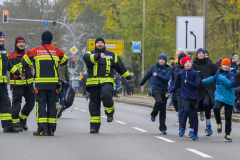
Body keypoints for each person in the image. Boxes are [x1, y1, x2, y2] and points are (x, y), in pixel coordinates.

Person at [22, 31, 68, 136]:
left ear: (42, 38)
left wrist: (33, 61)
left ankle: (42, 129)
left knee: (41, 106)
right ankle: (51, 130)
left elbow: (24, 62)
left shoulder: (36, 50)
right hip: (53, 84)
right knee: (52, 106)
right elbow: (65, 60)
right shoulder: (57, 50)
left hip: (40, 84)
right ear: (51, 39)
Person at [83, 37, 131, 133]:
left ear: (104, 44)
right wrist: (98, 56)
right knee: (94, 105)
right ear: (95, 44)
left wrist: (128, 76)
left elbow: (120, 66)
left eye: (101, 42)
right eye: (98, 43)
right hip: (93, 83)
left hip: (107, 82)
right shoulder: (89, 53)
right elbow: (87, 59)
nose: (100, 44)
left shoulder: (112, 55)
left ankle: (110, 112)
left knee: (106, 95)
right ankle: (94, 126)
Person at [166, 56, 200, 140]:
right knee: (186, 110)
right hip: (185, 96)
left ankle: (195, 133)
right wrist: (169, 91)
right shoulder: (181, 74)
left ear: (191, 63)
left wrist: (188, 82)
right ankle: (183, 128)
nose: (188, 64)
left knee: (194, 115)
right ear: (183, 64)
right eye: (186, 62)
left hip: (194, 97)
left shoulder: (195, 73)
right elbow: (176, 85)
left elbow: (197, 85)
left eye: (189, 62)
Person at [202, 58, 235, 142]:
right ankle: (219, 123)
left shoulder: (231, 74)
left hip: (229, 97)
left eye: (227, 65)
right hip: (219, 95)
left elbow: (230, 84)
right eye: (224, 64)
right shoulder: (218, 73)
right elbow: (213, 79)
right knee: (216, 108)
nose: (225, 66)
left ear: (229, 66)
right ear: (221, 65)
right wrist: (203, 81)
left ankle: (227, 135)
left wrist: (221, 77)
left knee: (228, 117)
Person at [7, 36, 35, 131]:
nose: (21, 44)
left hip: (29, 84)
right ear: (16, 43)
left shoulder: (29, 52)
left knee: (31, 102)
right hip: (17, 84)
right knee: (16, 104)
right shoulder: (10, 54)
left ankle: (22, 119)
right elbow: (10, 67)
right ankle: (15, 124)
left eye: (23, 42)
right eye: (19, 42)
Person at [140, 54, 171, 134]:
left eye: (163, 59)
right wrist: (141, 83)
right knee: (159, 101)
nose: (161, 60)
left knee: (163, 109)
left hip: (164, 90)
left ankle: (163, 128)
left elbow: (167, 79)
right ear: (158, 60)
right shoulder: (153, 67)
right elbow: (147, 75)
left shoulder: (168, 69)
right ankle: (153, 114)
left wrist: (157, 75)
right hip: (155, 88)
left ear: (165, 61)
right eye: (160, 59)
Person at [0, 31, 25, 133]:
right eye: (0, 38)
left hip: (2, 84)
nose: (2, 39)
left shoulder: (3, 50)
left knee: (6, 104)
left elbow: (9, 65)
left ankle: (8, 126)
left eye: (3, 37)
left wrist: (18, 73)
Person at [192, 48, 217, 136]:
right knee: (194, 108)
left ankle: (208, 124)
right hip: (198, 89)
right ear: (197, 55)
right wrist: (200, 80)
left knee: (207, 104)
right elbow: (191, 75)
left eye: (203, 53)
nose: (201, 54)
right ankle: (192, 128)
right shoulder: (194, 65)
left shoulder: (210, 65)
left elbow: (217, 74)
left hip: (207, 89)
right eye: (199, 53)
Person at [52, 42, 70, 118]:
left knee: (54, 94)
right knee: (62, 95)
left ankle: (57, 107)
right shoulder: (63, 56)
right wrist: (68, 80)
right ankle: (61, 105)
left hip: (54, 79)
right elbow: (66, 70)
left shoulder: (51, 56)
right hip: (63, 80)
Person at [172, 52, 188, 130]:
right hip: (180, 92)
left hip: (189, 92)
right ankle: (181, 127)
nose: (182, 61)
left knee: (188, 110)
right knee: (181, 110)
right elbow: (178, 80)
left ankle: (190, 128)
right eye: (181, 59)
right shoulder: (177, 69)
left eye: (184, 59)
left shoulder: (190, 68)